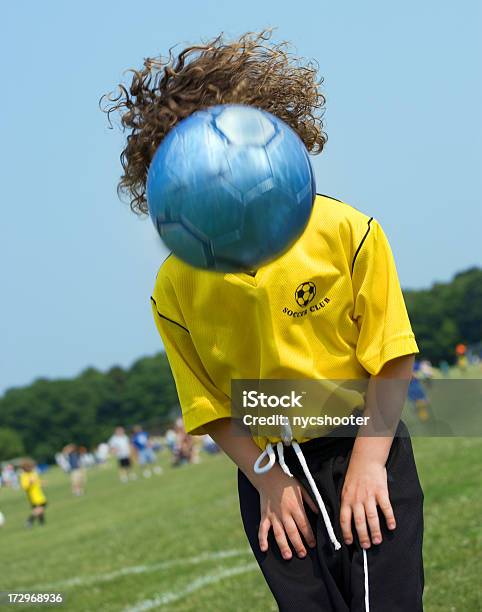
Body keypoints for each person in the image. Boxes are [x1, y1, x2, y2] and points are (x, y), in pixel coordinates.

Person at [105, 31, 424, 611]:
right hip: (269, 476)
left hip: (366, 447)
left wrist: (369, 464)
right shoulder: (174, 286)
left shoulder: (346, 233)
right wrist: (269, 483)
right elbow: (212, 408)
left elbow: (393, 355)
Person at [19, 459, 47, 527]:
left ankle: (42, 523)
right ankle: (29, 520)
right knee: (39, 508)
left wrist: (42, 483)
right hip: (33, 495)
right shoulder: (23, 476)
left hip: (39, 493)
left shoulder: (34, 473)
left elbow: (37, 481)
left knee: (40, 508)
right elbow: (24, 487)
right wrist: (30, 483)